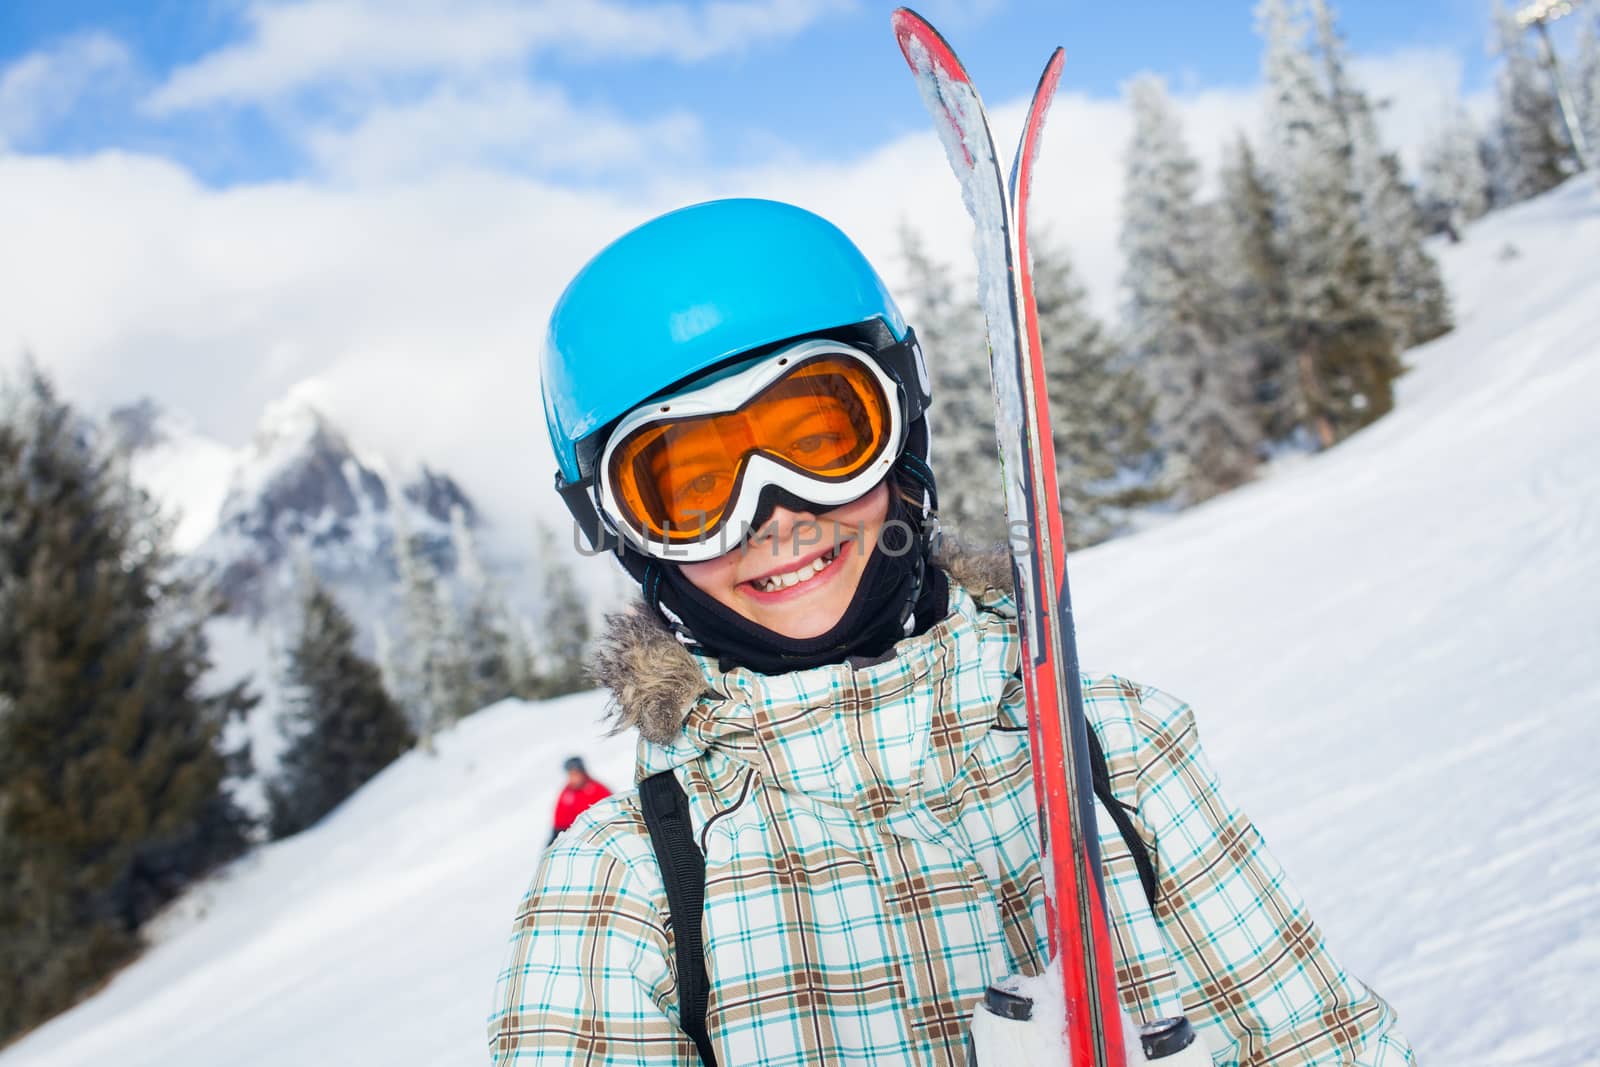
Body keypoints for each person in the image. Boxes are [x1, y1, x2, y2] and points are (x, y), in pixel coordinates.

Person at [488, 198, 1414, 1066]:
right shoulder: (618, 889)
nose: (774, 513)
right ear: (627, 534)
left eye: (818, 438)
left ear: (902, 430)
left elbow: (1323, 1043)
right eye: (691, 488)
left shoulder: (1115, 748)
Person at [547, 756, 611, 847]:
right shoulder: (566, 793)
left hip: (597, 833)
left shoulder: (597, 790)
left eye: (575, 774)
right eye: (570, 775)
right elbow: (559, 823)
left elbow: (609, 812)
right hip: (572, 837)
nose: (573, 778)